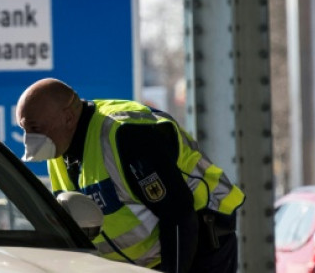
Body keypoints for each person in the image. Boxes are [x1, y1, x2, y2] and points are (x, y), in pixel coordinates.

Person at [16, 78, 245, 273]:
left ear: (67, 118)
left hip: (201, 242)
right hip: (142, 262)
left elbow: (178, 215)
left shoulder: (125, 135)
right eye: (23, 130)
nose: (29, 140)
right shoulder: (59, 149)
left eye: (35, 128)